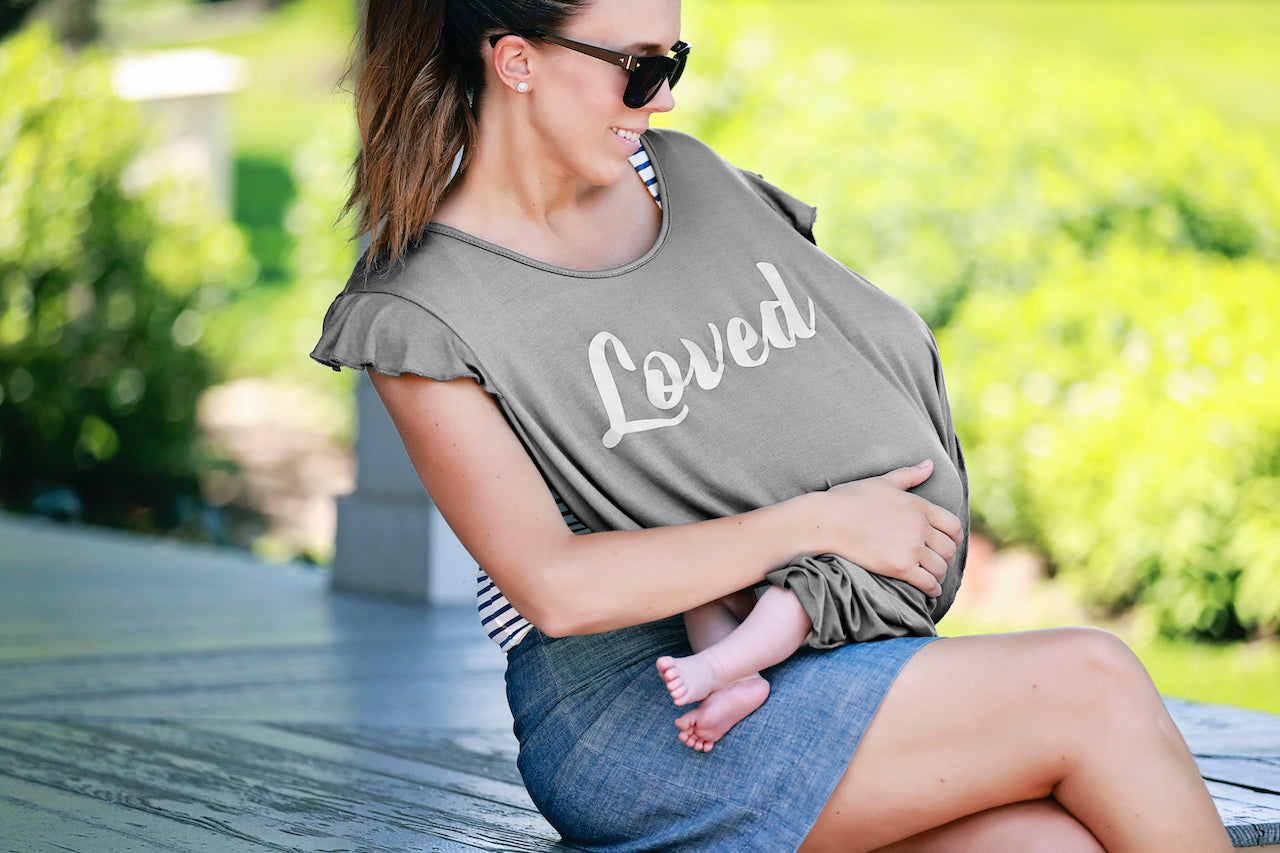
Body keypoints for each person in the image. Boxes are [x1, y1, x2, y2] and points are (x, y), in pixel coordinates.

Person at [312, 0, 1234, 850]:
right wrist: (820, 522)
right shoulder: (423, 311)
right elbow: (555, 587)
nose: (664, 98)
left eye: (673, 61)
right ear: (516, 61)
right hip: (632, 707)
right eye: (638, 68)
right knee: (1090, 683)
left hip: (814, 630)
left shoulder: (684, 184)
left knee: (1047, 845)